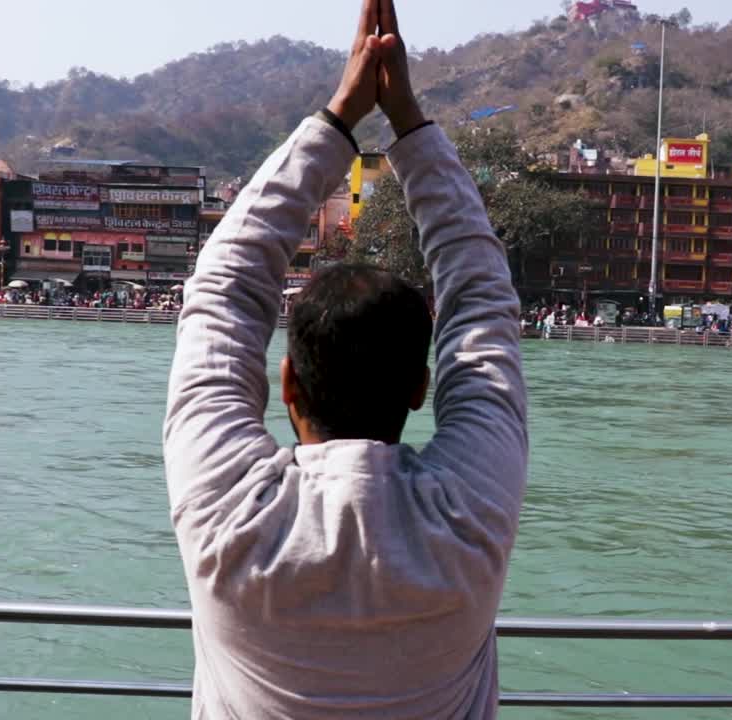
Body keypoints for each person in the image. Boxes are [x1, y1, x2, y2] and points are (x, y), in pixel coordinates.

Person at [162, 0, 528, 716]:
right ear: (422, 386)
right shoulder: (470, 521)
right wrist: (406, 124)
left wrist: (339, 118)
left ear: (287, 381)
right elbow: (483, 304)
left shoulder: (228, 521)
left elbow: (220, 292)